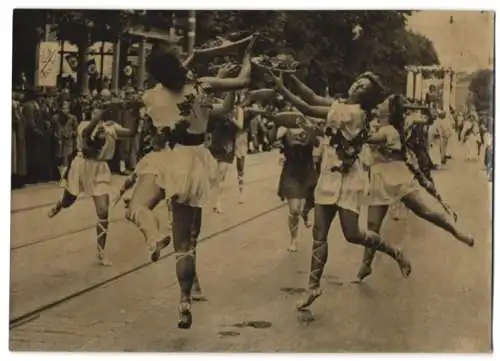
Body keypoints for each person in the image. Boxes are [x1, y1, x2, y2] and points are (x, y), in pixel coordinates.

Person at [124, 40, 254, 329]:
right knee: (185, 244)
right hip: (193, 162)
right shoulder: (202, 87)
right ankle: (184, 301)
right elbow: (233, 94)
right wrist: (245, 58)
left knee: (137, 207)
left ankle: (153, 236)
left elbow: (172, 77)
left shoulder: (150, 95)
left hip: (164, 157)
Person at [269, 71, 412, 311]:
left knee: (353, 234)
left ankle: (393, 251)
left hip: (348, 179)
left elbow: (308, 106)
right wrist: (291, 78)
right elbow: (313, 96)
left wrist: (281, 88)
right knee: (319, 234)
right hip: (329, 174)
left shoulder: (354, 113)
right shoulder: (344, 106)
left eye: (361, 86)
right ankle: (312, 286)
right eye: (357, 81)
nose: (355, 84)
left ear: (364, 96)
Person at [355, 95, 474, 281]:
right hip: (380, 181)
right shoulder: (378, 126)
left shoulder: (388, 130)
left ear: (390, 111)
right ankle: (366, 265)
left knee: (424, 211)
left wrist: (352, 126)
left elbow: (372, 139)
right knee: (372, 226)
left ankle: (456, 231)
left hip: (398, 179)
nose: (379, 104)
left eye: (383, 103)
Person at [47, 100, 137, 266]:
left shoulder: (111, 127)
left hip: (100, 168)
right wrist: (99, 118)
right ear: (92, 111)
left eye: (102, 109)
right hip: (82, 166)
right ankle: (60, 204)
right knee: (69, 200)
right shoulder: (84, 124)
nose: (100, 112)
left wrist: (137, 114)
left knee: (103, 211)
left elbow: (131, 133)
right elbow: (87, 135)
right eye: (97, 109)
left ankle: (101, 252)